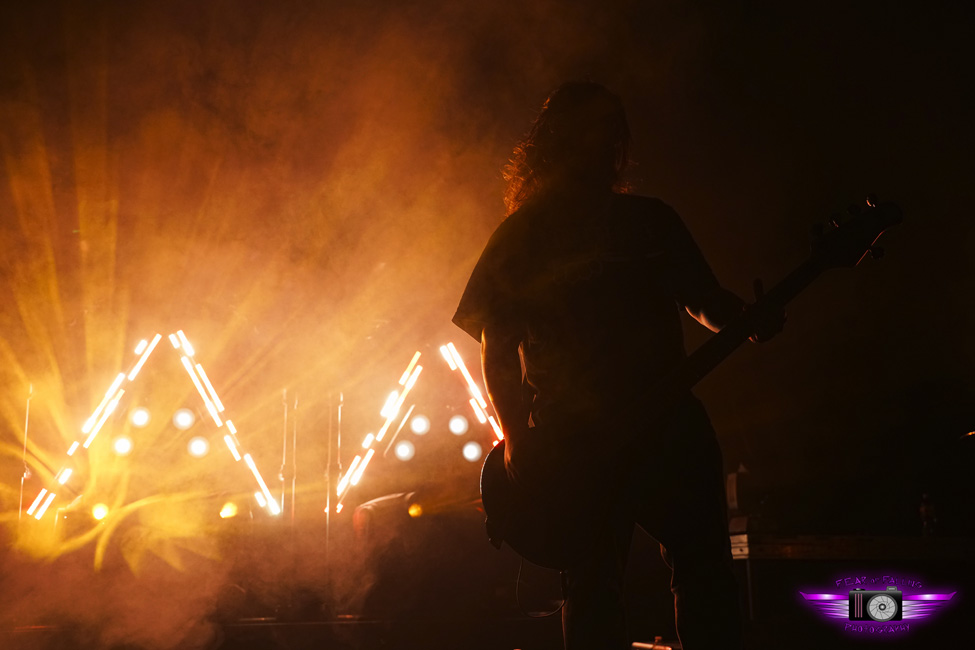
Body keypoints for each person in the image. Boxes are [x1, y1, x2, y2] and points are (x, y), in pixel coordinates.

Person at [453, 82, 780, 650]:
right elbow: (496, 344)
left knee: (693, 576)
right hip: (580, 441)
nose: (599, 144)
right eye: (587, 131)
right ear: (556, 144)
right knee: (598, 586)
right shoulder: (523, 236)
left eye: (608, 132)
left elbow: (703, 298)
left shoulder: (649, 221)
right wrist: (517, 439)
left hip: (662, 428)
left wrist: (742, 317)